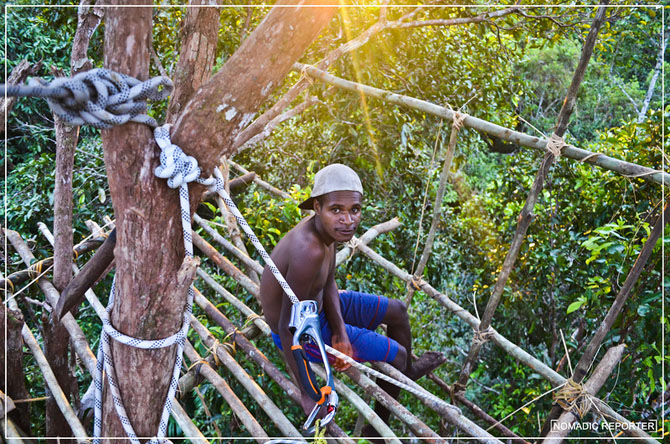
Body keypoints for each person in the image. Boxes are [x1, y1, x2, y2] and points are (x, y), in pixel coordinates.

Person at [259, 163, 445, 436]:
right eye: (337, 210)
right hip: (305, 331)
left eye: (354, 210)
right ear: (317, 208)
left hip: (319, 307)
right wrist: (307, 392)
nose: (348, 220)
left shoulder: (328, 232)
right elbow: (289, 329)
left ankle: (405, 372)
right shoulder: (307, 251)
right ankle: (378, 429)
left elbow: (329, 281)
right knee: (399, 354)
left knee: (398, 311)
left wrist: (341, 332)